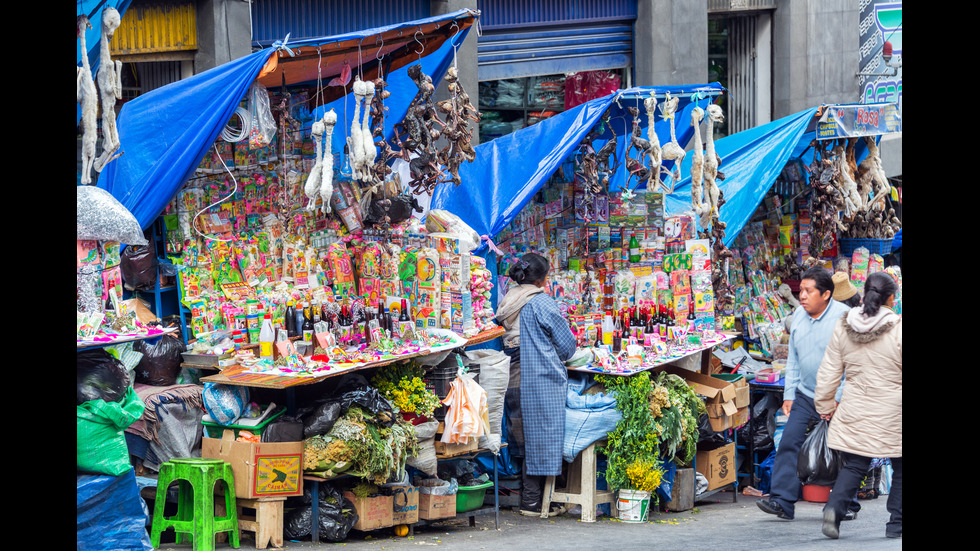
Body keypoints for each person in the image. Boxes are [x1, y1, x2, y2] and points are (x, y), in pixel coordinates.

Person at [757, 267, 854, 521]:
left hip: (837, 396)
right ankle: (782, 501)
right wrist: (789, 394)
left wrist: (838, 397)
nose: (802, 296)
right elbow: (793, 360)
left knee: (842, 450)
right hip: (805, 394)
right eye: (801, 290)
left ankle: (846, 503)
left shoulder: (843, 318)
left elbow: (853, 363)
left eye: (809, 291)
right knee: (789, 441)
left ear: (826, 294)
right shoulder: (798, 315)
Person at [815, 272, 902, 539]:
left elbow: (829, 371)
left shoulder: (844, 325)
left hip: (855, 406)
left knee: (855, 464)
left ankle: (834, 510)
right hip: (893, 410)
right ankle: (897, 523)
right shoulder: (898, 327)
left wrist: (825, 404)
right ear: (891, 298)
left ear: (864, 293)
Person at [503, 253, 577, 517]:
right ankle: (534, 503)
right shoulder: (541, 302)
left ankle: (533, 499)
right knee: (542, 439)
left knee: (524, 441)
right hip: (538, 378)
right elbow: (567, 346)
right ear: (543, 278)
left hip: (513, 378)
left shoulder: (509, 299)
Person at [495, 255, 549, 471]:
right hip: (531, 367)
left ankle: (521, 480)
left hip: (512, 367)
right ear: (539, 281)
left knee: (517, 419)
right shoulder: (536, 300)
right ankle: (531, 489)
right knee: (534, 428)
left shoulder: (509, 297)